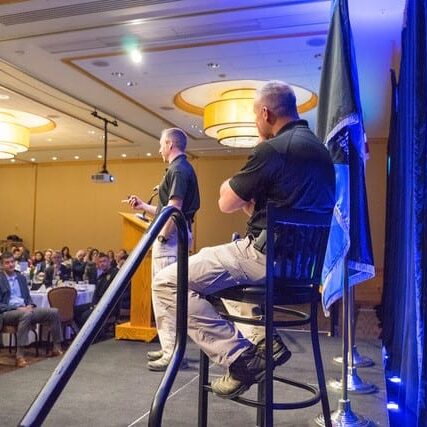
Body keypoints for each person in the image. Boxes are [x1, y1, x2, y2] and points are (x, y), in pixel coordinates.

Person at [152, 81, 336, 398]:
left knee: (167, 282)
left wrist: (228, 183)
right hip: (304, 271)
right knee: (218, 271)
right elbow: (284, 208)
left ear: (265, 113)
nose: (255, 123)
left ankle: (241, 358)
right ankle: (264, 340)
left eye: (254, 116)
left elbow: (226, 202)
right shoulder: (322, 153)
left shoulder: (272, 150)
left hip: (264, 259)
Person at [127, 127, 200, 371]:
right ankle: (170, 346)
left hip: (170, 239)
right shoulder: (182, 168)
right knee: (167, 296)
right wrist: (143, 207)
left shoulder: (178, 169)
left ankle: (171, 352)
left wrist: (162, 236)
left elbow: (175, 207)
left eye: (161, 144)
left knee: (165, 296)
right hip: (176, 236)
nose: (159, 149)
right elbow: (166, 209)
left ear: (170, 144)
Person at [0, 251, 63, 367]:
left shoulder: (21, 278)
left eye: (12, 262)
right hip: (7, 312)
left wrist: (30, 305)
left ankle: (56, 347)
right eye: (7, 263)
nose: (10, 265)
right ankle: (19, 356)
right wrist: (18, 308)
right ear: (2, 265)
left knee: (54, 312)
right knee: (26, 315)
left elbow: (28, 297)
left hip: (25, 309)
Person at [75, 252, 119, 330]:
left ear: (109, 262)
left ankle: (94, 335)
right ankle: (82, 333)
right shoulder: (101, 276)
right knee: (76, 310)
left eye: (104, 261)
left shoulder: (115, 274)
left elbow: (111, 294)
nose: (102, 264)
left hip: (109, 306)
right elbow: (96, 293)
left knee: (85, 315)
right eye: (100, 262)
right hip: (98, 304)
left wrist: (97, 305)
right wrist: (93, 304)